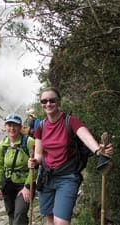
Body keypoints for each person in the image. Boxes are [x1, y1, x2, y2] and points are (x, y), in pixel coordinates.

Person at [28, 87, 113, 225]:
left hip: (67, 177)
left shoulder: (70, 121)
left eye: (52, 100)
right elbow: (39, 154)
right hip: (46, 177)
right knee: (49, 219)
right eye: (44, 101)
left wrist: (98, 150)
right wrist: (34, 161)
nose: (48, 104)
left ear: (59, 102)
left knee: (60, 222)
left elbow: (85, 136)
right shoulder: (41, 127)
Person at [0, 113, 36, 225]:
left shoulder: (28, 142)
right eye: (9, 125)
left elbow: (35, 166)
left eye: (15, 125)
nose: (12, 128)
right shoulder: (2, 145)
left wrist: (27, 186)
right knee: (11, 214)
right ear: (5, 126)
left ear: (20, 126)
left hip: (24, 184)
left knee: (20, 214)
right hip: (8, 184)